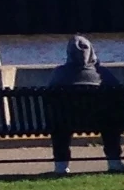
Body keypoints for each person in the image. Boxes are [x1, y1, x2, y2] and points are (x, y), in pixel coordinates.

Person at [48, 34, 118, 175]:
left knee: (59, 125)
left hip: (66, 122)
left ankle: (61, 166)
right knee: (111, 122)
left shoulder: (60, 74)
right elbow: (118, 92)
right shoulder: (102, 73)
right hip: (101, 121)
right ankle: (114, 162)